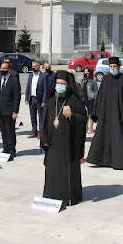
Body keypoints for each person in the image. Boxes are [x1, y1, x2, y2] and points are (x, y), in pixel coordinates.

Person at [40, 70, 87, 206]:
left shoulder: (75, 101)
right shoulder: (51, 101)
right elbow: (44, 121)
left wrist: (72, 115)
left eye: (62, 84)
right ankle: (51, 194)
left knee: (66, 172)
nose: (59, 86)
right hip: (52, 143)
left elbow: (83, 119)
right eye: (57, 83)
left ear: (68, 85)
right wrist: (44, 139)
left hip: (68, 144)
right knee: (52, 170)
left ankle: (69, 197)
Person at [87, 56, 123, 170]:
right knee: (104, 136)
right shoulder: (106, 79)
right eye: (111, 66)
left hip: (119, 116)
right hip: (105, 115)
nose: (113, 68)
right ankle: (103, 160)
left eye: (115, 67)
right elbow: (100, 97)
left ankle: (119, 162)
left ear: (119, 67)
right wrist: (97, 112)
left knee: (119, 138)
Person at [0, 61, 21, 160]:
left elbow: (17, 97)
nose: (2, 70)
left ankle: (11, 149)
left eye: (5, 68)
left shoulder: (14, 81)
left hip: (10, 110)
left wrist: (15, 111)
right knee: (3, 131)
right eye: (1, 68)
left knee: (10, 131)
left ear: (9, 69)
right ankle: (5, 148)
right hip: (0, 110)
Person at [25, 60, 48, 139]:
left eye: (36, 66)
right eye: (33, 67)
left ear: (39, 67)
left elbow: (45, 90)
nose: (34, 68)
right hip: (32, 98)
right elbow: (28, 87)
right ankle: (34, 131)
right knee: (32, 116)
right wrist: (26, 98)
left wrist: (44, 101)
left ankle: (40, 133)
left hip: (40, 99)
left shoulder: (43, 76)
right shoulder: (31, 75)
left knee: (41, 117)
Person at [81, 66, 98, 134]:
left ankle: (91, 128)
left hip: (91, 99)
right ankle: (86, 127)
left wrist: (96, 100)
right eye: (85, 72)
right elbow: (81, 89)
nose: (86, 73)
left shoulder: (93, 81)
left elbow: (96, 91)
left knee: (90, 114)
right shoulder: (83, 80)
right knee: (85, 114)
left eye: (87, 72)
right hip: (84, 99)